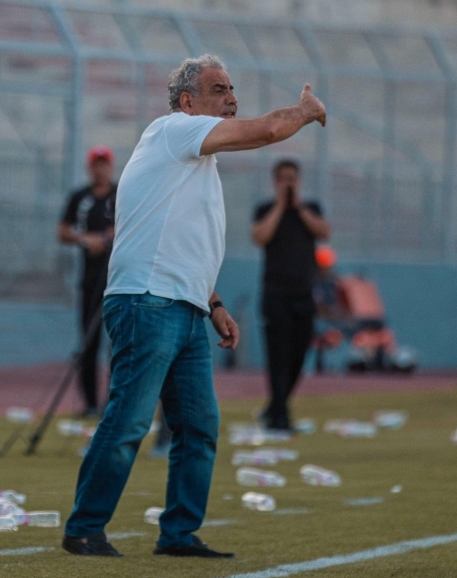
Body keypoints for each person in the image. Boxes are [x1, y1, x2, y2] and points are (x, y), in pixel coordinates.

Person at [62, 54, 326, 558]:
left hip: (183, 305)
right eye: (219, 89)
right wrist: (305, 110)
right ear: (187, 101)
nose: (232, 98)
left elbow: (183, 242)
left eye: (233, 88)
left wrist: (217, 303)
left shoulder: (192, 160)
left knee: (199, 427)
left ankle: (178, 534)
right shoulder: (174, 130)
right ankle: (83, 528)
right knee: (131, 420)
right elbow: (268, 130)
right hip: (147, 302)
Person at [251, 160, 331, 431]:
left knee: (299, 354)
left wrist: (298, 207)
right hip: (275, 294)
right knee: (277, 356)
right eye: (283, 178)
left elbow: (323, 231)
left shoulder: (310, 209)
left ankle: (276, 407)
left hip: (303, 294)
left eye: (292, 178)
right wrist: (280, 207)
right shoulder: (265, 209)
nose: (288, 183)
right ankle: (280, 416)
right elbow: (260, 236)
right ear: (275, 181)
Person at [58, 147, 117, 418]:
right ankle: (90, 403)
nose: (100, 170)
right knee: (89, 343)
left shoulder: (120, 194)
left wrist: (105, 241)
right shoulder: (79, 197)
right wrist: (86, 240)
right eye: (96, 164)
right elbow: (64, 230)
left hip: (118, 280)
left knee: (117, 344)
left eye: (104, 164)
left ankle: (116, 402)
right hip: (90, 280)